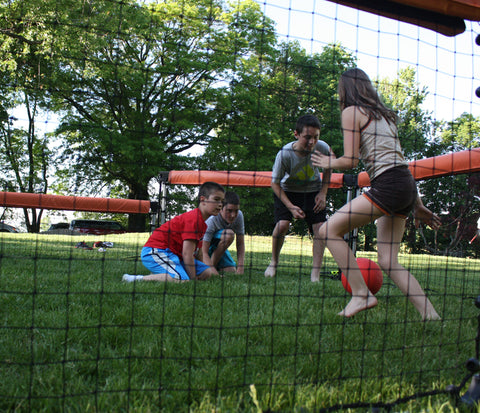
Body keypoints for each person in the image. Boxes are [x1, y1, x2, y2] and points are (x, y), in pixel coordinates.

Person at [311, 68, 441, 319]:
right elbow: (399, 163)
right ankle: (430, 315)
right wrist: (418, 205)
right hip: (405, 185)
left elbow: (350, 160)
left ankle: (361, 295)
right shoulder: (384, 116)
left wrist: (328, 164)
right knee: (388, 260)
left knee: (328, 230)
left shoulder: (351, 111)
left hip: (389, 185)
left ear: (344, 90)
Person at [264, 114, 333, 282]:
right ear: (296, 134)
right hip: (288, 191)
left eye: (315, 137)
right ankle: (274, 262)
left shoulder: (322, 147)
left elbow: (329, 168)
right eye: (307, 137)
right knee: (282, 225)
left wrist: (323, 193)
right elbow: (275, 184)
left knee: (320, 229)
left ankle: (315, 274)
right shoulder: (285, 154)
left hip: (313, 191)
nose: (312, 142)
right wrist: (290, 207)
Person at [122, 181, 225, 282]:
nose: (220, 204)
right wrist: (193, 281)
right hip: (156, 251)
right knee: (180, 279)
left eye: (222, 201)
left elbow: (199, 253)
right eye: (216, 199)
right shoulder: (193, 219)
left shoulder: (203, 223)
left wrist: (201, 269)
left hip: (174, 255)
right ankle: (134, 279)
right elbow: (187, 254)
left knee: (206, 273)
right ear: (203, 200)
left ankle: (165, 275)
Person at [202, 191, 245, 274]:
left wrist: (240, 267)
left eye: (236, 211)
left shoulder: (239, 216)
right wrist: (215, 274)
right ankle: (212, 267)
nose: (233, 215)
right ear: (221, 208)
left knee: (231, 270)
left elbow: (240, 244)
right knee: (229, 234)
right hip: (203, 248)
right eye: (229, 210)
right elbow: (203, 252)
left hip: (219, 248)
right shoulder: (212, 219)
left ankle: (213, 265)